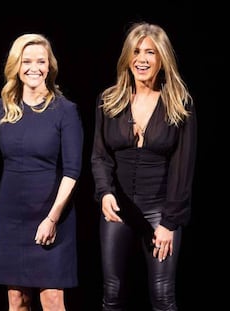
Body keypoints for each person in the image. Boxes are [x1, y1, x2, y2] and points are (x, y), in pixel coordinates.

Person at [91, 22, 197, 310]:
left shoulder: (179, 103)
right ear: (127, 58)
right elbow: (100, 156)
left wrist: (169, 222)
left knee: (163, 295)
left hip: (160, 211)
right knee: (112, 294)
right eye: (136, 51)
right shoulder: (108, 100)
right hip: (118, 210)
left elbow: (183, 168)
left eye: (150, 52)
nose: (142, 59)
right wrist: (105, 193)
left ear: (161, 58)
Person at [0, 33, 84, 310]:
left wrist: (52, 218)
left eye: (41, 61)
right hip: (10, 214)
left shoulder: (65, 110)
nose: (34, 67)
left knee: (52, 298)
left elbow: (73, 170)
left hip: (52, 211)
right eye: (27, 61)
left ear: (49, 66)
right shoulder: (3, 108)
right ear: (16, 66)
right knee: (17, 300)